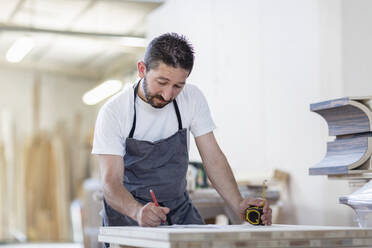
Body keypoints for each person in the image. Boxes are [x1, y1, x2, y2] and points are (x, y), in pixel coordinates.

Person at [92, 33, 272, 229]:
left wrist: (239, 204)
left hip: (177, 208)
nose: (168, 95)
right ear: (142, 69)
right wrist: (137, 211)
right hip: (130, 214)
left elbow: (214, 159)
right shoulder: (114, 112)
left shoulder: (192, 99)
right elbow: (110, 183)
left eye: (178, 86)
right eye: (161, 82)